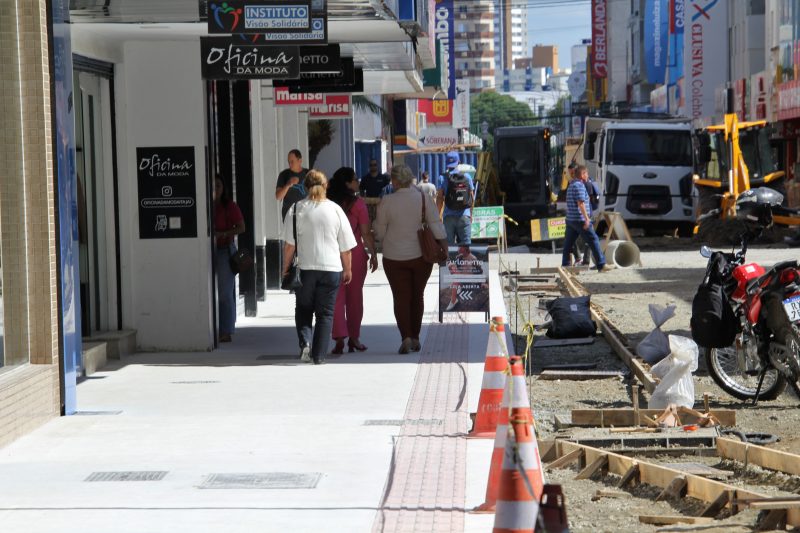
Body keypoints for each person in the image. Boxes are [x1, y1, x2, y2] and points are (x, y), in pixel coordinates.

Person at [282, 170, 357, 365]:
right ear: (326, 186)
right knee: (326, 313)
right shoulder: (335, 210)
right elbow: (346, 246)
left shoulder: (296, 209)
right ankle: (319, 355)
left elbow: (290, 245)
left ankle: (305, 342)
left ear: (305, 187)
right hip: (331, 269)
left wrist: (285, 268)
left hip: (305, 269)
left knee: (304, 309)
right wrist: (348, 269)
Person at [375, 164, 448, 354]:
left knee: (401, 297)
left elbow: (380, 233)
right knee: (418, 296)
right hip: (421, 257)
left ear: (395, 181)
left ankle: (405, 337)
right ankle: (416, 337)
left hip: (393, 256)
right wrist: (445, 247)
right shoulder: (423, 198)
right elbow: (436, 224)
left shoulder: (387, 201)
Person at [327, 167, 379, 355]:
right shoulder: (358, 204)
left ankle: (339, 337)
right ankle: (354, 338)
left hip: (332, 253)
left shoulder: (328, 203)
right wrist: (373, 253)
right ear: (348, 183)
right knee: (355, 297)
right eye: (355, 179)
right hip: (354, 254)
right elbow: (365, 232)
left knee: (336, 297)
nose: (358, 182)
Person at [213, 176, 246, 343]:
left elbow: (241, 227)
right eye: (212, 186)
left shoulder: (229, 206)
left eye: (218, 185)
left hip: (224, 251)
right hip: (206, 252)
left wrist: (224, 234)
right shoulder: (206, 206)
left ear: (223, 188)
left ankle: (225, 330)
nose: (215, 189)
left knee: (225, 293)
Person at [562, 165, 610, 273]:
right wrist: (587, 219)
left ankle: (565, 265)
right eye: (586, 174)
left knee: (568, 243)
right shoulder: (579, 185)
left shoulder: (571, 185)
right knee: (593, 240)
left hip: (571, 219)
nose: (588, 176)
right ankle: (601, 265)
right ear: (583, 174)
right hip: (580, 219)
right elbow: (581, 203)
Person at [436, 151, 475, 245]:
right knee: (466, 247)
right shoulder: (467, 177)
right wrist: (470, 214)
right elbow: (472, 198)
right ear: (458, 162)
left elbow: (440, 198)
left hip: (448, 217)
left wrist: (438, 216)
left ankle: (451, 260)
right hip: (464, 215)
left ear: (447, 163)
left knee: (449, 247)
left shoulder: (442, 178)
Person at [275, 149, 308, 221]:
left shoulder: (308, 173)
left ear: (300, 161)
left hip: (306, 214)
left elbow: (317, 192)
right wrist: (288, 184)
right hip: (289, 216)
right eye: (289, 162)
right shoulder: (284, 174)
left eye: (292, 162)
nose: (290, 164)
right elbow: (278, 197)